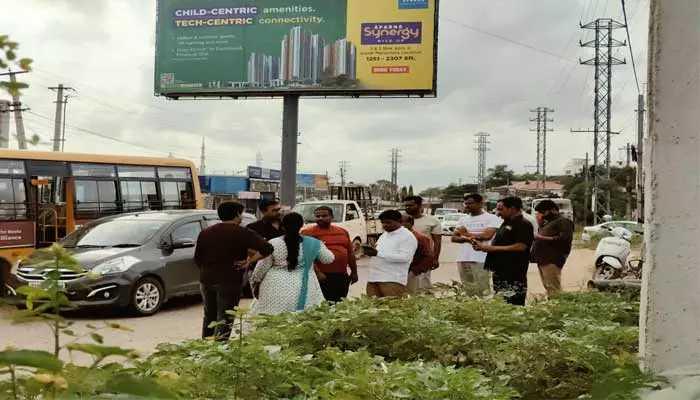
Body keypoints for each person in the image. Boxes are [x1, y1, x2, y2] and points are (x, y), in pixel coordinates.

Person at [194, 201, 274, 341]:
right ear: (237, 214)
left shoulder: (205, 232)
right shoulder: (242, 232)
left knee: (209, 315)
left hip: (206, 279)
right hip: (229, 280)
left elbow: (197, 258)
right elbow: (267, 248)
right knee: (225, 316)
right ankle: (220, 349)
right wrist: (249, 261)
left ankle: (205, 347)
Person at [250, 212, 335, 315]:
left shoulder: (273, 243)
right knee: (303, 320)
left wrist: (255, 282)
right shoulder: (313, 243)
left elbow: (261, 267)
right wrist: (318, 248)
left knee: (273, 319)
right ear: (301, 225)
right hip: (305, 286)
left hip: (274, 286)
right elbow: (329, 259)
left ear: (283, 226)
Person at [473, 197, 534, 306]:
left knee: (513, 302)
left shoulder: (523, 224)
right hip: (500, 270)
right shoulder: (505, 223)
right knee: (501, 300)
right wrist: (482, 247)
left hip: (513, 271)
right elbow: (501, 243)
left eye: (501, 210)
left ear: (512, 208)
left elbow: (521, 246)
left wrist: (492, 249)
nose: (498, 213)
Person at [301, 206, 359, 303]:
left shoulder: (342, 232)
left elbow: (350, 253)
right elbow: (306, 256)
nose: (320, 218)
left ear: (331, 216)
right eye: (317, 216)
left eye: (324, 216)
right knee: (323, 305)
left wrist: (354, 272)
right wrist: (318, 272)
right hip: (321, 277)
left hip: (341, 276)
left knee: (340, 304)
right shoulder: (307, 233)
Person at [451, 194, 501, 296]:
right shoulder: (463, 219)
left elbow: (487, 236)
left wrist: (465, 234)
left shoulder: (491, 218)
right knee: (468, 289)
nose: (467, 206)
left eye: (471, 203)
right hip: (463, 258)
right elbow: (454, 238)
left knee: (482, 289)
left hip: (481, 258)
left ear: (480, 203)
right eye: (466, 204)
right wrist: (471, 240)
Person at [363, 210, 418, 298]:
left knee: (393, 309)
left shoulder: (407, 236)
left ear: (400, 221)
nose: (385, 225)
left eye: (388, 222)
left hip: (392, 279)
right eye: (383, 223)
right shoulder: (384, 235)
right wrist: (370, 252)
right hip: (374, 278)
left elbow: (405, 257)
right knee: (372, 309)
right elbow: (379, 253)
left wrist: (378, 253)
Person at [531, 199, 575, 297]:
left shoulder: (563, 221)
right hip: (543, 258)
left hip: (552, 259)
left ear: (553, 210)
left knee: (554, 289)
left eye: (543, 212)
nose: (542, 214)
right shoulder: (549, 222)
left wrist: (542, 238)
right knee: (548, 287)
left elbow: (565, 239)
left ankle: (558, 308)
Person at [403, 196, 441, 293]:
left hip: (423, 259)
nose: (407, 208)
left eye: (411, 205)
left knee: (423, 285)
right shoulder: (400, 220)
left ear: (419, 206)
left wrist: (435, 259)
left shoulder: (432, 221)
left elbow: (437, 241)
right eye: (406, 206)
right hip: (404, 259)